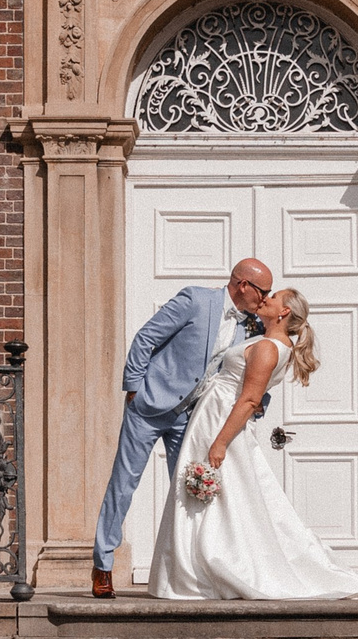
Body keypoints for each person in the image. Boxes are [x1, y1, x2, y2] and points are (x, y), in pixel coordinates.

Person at [147, 287, 358, 600]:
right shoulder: (269, 341)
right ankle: (194, 568)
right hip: (212, 415)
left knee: (220, 496)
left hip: (222, 421)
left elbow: (250, 399)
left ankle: (209, 568)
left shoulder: (268, 348)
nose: (265, 298)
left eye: (274, 297)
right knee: (226, 499)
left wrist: (220, 443)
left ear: (283, 313)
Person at [92, 257, 273, 599]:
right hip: (149, 407)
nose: (265, 299)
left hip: (190, 417)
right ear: (243, 285)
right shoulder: (195, 300)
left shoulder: (252, 326)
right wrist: (134, 388)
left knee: (192, 492)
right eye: (263, 291)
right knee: (124, 484)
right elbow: (146, 337)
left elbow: (256, 371)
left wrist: (259, 404)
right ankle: (102, 565)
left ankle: (188, 571)